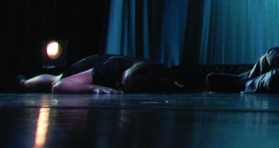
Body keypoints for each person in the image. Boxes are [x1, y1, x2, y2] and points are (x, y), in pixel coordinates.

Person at [18, 55, 172, 94]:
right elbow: (58, 86)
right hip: (88, 65)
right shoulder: (110, 67)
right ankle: (24, 83)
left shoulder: (153, 72)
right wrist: (93, 88)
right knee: (56, 78)